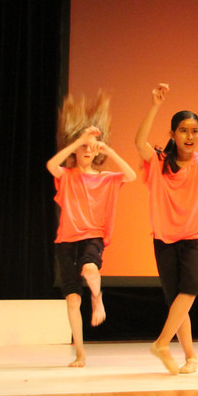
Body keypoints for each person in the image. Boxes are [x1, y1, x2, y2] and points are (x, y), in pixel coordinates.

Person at [136, 83, 198, 374]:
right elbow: (139, 142)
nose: (190, 136)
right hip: (164, 240)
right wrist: (155, 105)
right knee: (177, 301)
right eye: (183, 131)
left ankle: (162, 344)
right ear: (173, 134)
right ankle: (190, 357)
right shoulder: (158, 162)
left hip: (192, 239)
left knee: (189, 290)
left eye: (195, 131)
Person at [46, 92, 136, 367]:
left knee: (90, 269)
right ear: (76, 149)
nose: (87, 150)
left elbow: (131, 175)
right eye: (83, 147)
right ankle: (80, 352)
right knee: (72, 300)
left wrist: (107, 150)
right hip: (66, 241)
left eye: (91, 148)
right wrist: (79, 141)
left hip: (92, 236)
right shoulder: (67, 176)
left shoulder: (106, 178)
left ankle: (98, 298)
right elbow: (51, 165)